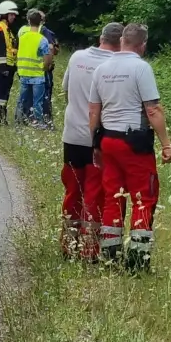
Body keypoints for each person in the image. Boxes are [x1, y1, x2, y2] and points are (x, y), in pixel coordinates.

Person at [89, 22, 171, 272]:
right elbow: (153, 109)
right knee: (143, 198)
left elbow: (93, 111)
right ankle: (137, 261)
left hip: (108, 140)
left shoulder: (101, 69)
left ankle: (109, 255)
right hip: (134, 142)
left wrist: (95, 144)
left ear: (122, 40)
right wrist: (166, 145)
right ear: (143, 45)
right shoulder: (141, 68)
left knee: (112, 197)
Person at [58, 22, 121, 261]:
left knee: (72, 190)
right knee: (95, 194)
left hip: (72, 136)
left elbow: (65, 89)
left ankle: (68, 244)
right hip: (98, 139)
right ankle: (90, 249)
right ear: (121, 42)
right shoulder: (115, 66)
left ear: (101, 37)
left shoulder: (77, 57)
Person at [15, 9, 53, 127]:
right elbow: (47, 59)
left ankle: (18, 120)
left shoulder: (22, 37)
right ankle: (38, 122)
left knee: (22, 99)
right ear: (41, 22)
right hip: (37, 75)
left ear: (29, 21)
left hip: (23, 72)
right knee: (37, 102)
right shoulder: (42, 39)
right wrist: (44, 67)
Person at [41, 21, 60, 120]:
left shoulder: (47, 32)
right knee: (46, 92)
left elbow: (55, 49)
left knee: (46, 92)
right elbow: (54, 49)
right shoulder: (46, 32)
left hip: (44, 67)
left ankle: (46, 115)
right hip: (44, 67)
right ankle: (46, 116)